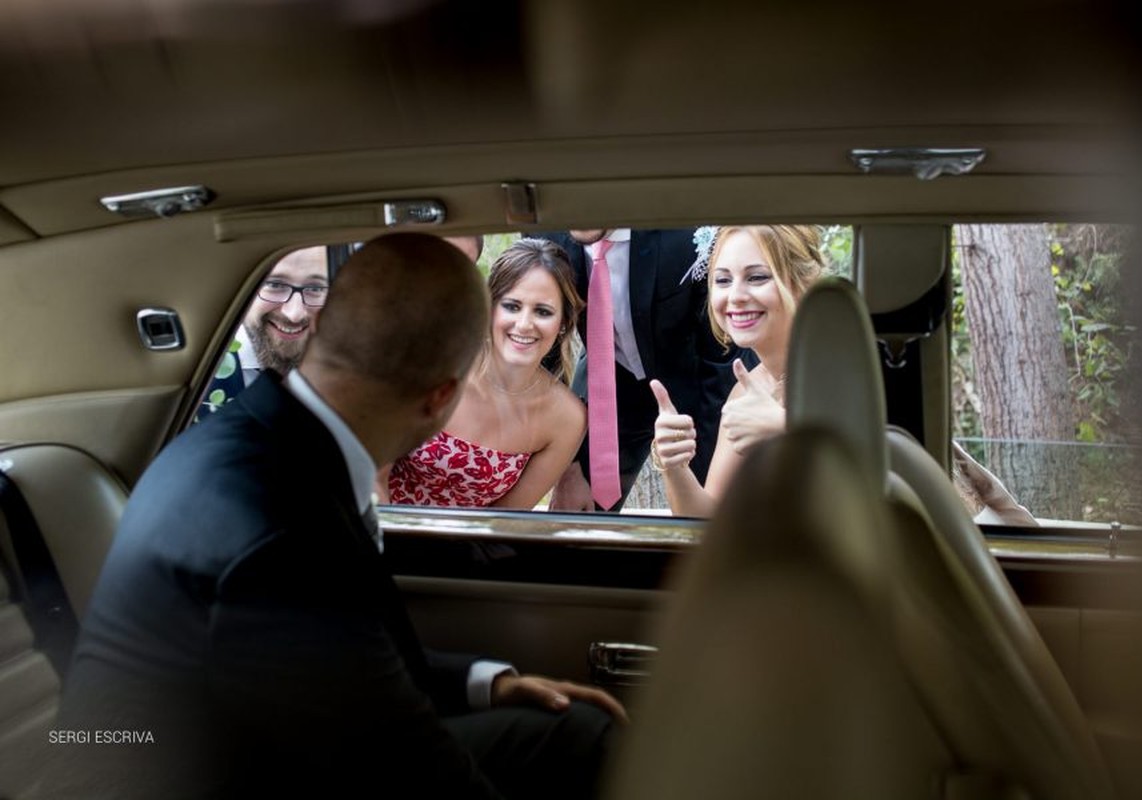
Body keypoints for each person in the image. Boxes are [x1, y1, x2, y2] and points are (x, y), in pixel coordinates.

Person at [47, 233, 624, 799]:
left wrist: (489, 684)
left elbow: (349, 663)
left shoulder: (266, 440)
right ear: (440, 399)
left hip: (245, 740)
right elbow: (397, 754)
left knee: (574, 733)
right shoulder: (279, 524)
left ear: (324, 331)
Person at [544, 228, 743, 512]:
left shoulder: (686, 235)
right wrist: (569, 457)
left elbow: (723, 353)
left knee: (707, 515)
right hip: (611, 380)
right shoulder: (545, 227)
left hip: (698, 385)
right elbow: (546, 350)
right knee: (572, 511)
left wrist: (710, 474)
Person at [383, 238, 587, 508]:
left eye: (543, 311)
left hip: (472, 548)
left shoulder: (566, 418)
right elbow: (372, 477)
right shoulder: (430, 366)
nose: (524, 324)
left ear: (563, 323)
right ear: (489, 308)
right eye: (512, 306)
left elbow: (508, 519)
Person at [651, 225, 825, 517]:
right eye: (722, 280)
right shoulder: (743, 391)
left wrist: (787, 429)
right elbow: (706, 520)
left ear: (801, 283)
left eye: (757, 277)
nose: (735, 296)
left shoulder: (841, 372)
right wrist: (674, 466)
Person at [196, 245, 329, 418]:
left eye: (315, 289)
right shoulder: (200, 375)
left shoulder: (351, 369)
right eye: (275, 284)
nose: (294, 314)